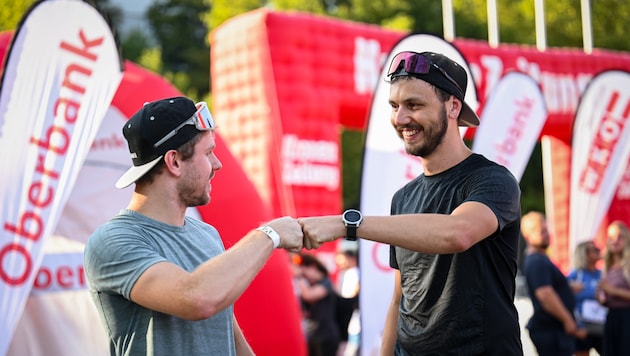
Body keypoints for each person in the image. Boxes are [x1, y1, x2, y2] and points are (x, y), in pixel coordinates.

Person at [299, 51, 523, 355]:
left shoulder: (493, 181)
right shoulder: (402, 198)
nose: (400, 118)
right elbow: (400, 298)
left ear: (453, 106)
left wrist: (346, 224)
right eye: (395, 106)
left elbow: (457, 233)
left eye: (414, 105)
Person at [83, 97, 304, 355]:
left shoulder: (207, 234)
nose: (217, 164)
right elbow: (196, 299)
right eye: (208, 152)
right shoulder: (111, 242)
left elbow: (226, 330)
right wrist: (269, 234)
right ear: (174, 162)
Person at [521, 211, 586, 356]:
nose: (546, 234)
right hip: (551, 332)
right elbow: (545, 294)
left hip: (554, 331)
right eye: (540, 231)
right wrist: (568, 320)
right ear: (528, 236)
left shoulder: (541, 259)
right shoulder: (537, 261)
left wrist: (567, 289)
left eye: (546, 230)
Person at [297, 253, 341, 356]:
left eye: (305, 274)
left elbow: (309, 295)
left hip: (327, 336)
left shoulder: (326, 283)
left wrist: (299, 277)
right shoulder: (312, 285)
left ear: (313, 267)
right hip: (314, 336)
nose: (306, 278)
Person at [597, 220, 630, 356]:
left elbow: (612, 289)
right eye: (611, 237)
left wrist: (612, 291)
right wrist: (601, 296)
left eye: (619, 237)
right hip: (611, 317)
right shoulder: (606, 265)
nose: (615, 241)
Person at [567, 240, 605, 356]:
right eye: (594, 250)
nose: (599, 251)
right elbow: (566, 298)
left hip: (602, 327)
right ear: (584, 254)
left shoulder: (603, 274)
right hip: (582, 328)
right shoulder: (576, 275)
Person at [334, 249, 360, 356]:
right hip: (345, 314)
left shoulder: (356, 272)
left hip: (353, 313)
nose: (340, 263)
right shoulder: (345, 273)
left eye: (342, 259)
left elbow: (354, 292)